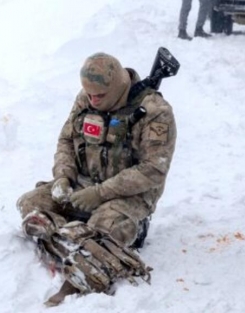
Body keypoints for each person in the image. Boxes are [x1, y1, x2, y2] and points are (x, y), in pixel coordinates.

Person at [16, 52, 177, 306]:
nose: (92, 100)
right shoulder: (87, 98)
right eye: (88, 94)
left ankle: (85, 250)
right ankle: (75, 238)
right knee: (30, 203)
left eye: (99, 96)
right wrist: (63, 178)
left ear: (117, 87)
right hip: (82, 185)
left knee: (106, 229)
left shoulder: (156, 112)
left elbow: (153, 170)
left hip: (127, 196)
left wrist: (101, 193)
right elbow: (66, 140)